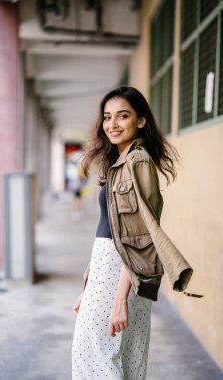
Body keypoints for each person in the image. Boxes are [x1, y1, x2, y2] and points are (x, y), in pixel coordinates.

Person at [71, 86, 195, 379]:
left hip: (121, 272)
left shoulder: (137, 162)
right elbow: (111, 228)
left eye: (122, 116)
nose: (112, 124)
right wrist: (89, 290)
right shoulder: (119, 161)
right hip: (106, 270)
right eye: (107, 117)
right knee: (115, 356)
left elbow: (139, 238)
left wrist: (119, 301)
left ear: (141, 121)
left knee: (100, 357)